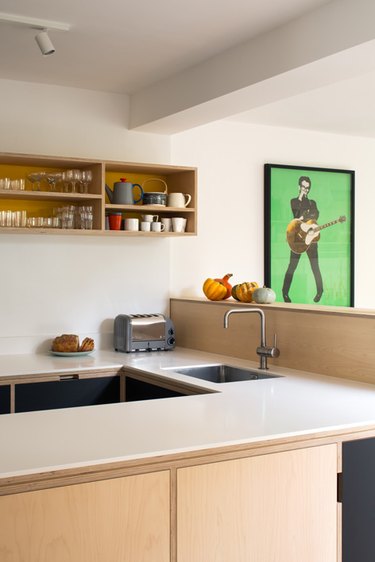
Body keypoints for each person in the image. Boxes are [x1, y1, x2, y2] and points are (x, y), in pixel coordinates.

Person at [282, 176, 323, 303]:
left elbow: (314, 216)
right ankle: (285, 292)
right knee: (292, 266)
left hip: (311, 239)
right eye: (304, 187)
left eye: (308, 188)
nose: (305, 190)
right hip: (297, 239)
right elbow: (297, 216)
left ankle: (320, 290)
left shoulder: (312, 203)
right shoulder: (294, 201)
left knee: (315, 266)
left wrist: (306, 215)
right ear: (299, 187)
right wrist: (304, 210)